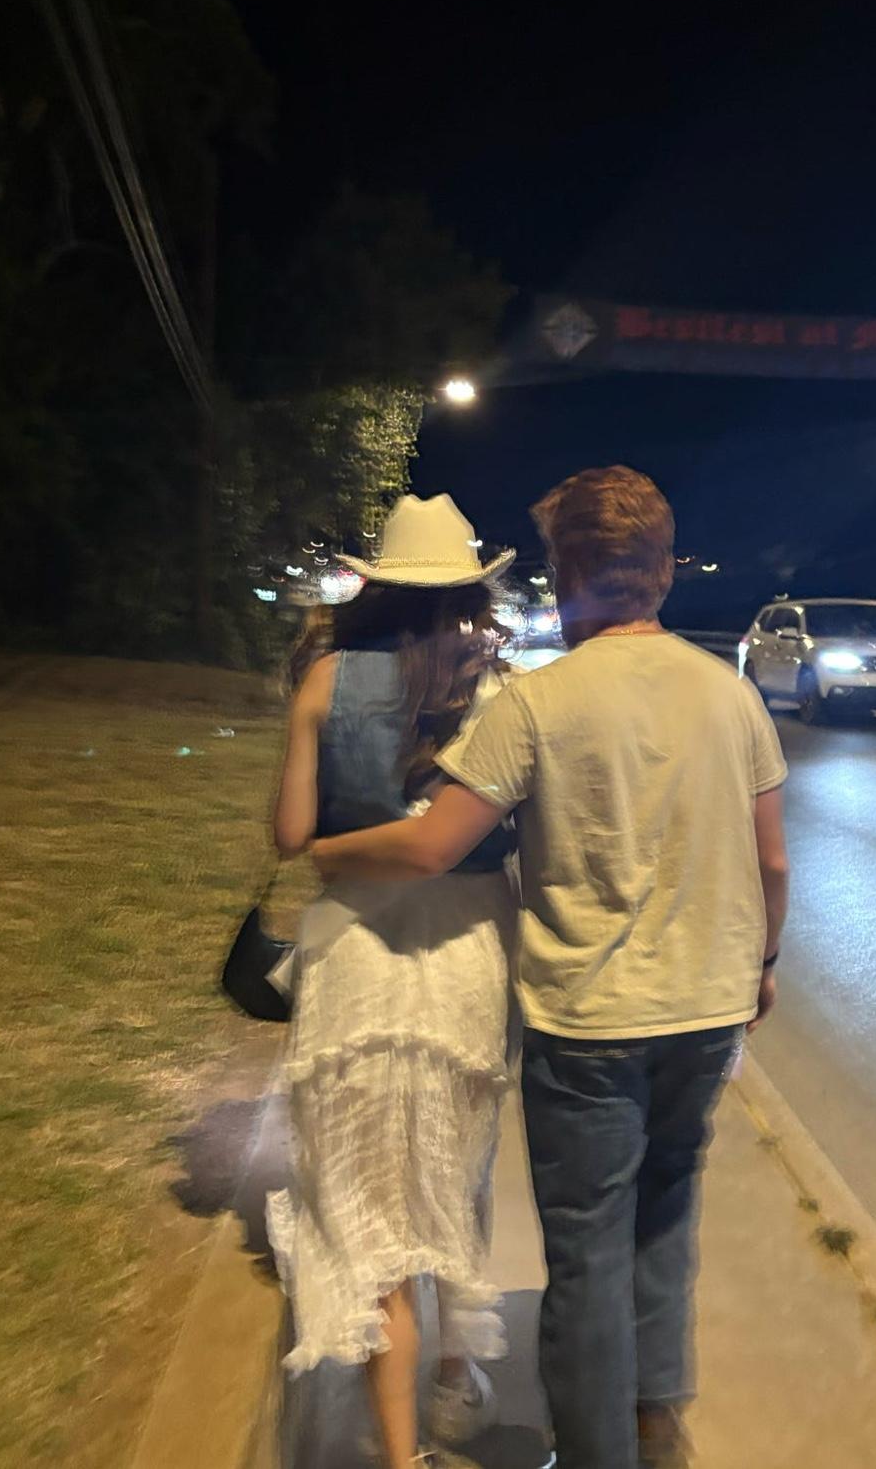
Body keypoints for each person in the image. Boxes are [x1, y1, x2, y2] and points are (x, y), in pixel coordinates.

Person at [313, 466, 790, 1469]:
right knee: (665, 1215)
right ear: (661, 573)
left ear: (572, 575)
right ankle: (656, 1416)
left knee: (585, 1251)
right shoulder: (731, 694)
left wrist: (323, 856)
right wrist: (763, 966)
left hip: (590, 1024)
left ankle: (595, 1453)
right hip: (706, 1013)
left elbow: (434, 845)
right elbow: (772, 860)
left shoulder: (536, 706)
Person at [268, 493, 520, 1468]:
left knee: (373, 1201)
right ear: (465, 589)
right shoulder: (499, 686)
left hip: (354, 964)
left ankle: (400, 1446)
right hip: (467, 959)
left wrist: (336, 836)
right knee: (456, 1170)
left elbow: (293, 838)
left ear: (374, 585)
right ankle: (457, 1380)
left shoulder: (325, 677)